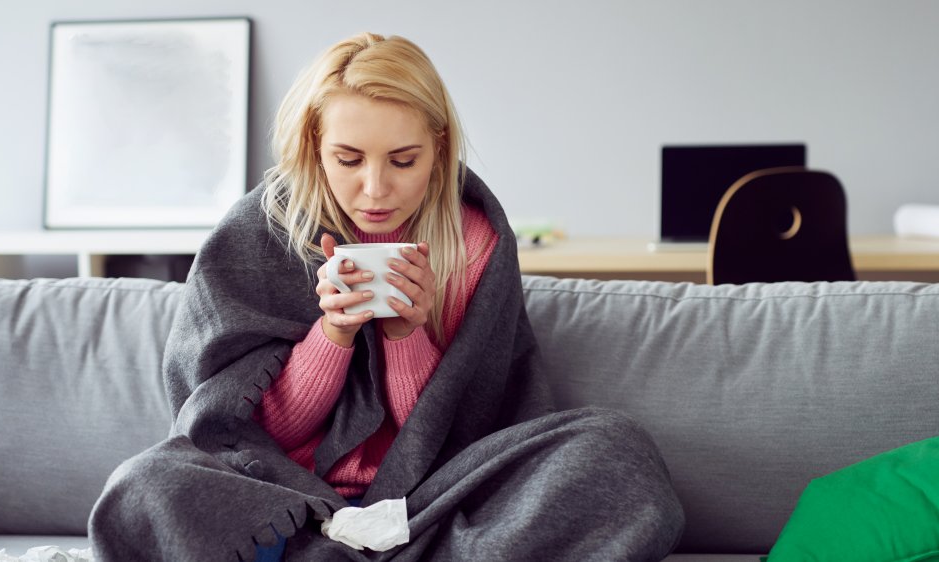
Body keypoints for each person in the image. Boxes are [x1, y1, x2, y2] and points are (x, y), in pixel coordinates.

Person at [88, 32, 684, 561]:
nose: (375, 190)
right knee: (145, 488)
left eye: (404, 160)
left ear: (440, 146)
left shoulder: (475, 238)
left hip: (435, 498)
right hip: (284, 495)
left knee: (615, 452)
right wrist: (334, 335)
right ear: (314, 147)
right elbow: (236, 429)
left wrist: (406, 334)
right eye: (348, 160)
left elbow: (470, 430)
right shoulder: (260, 230)